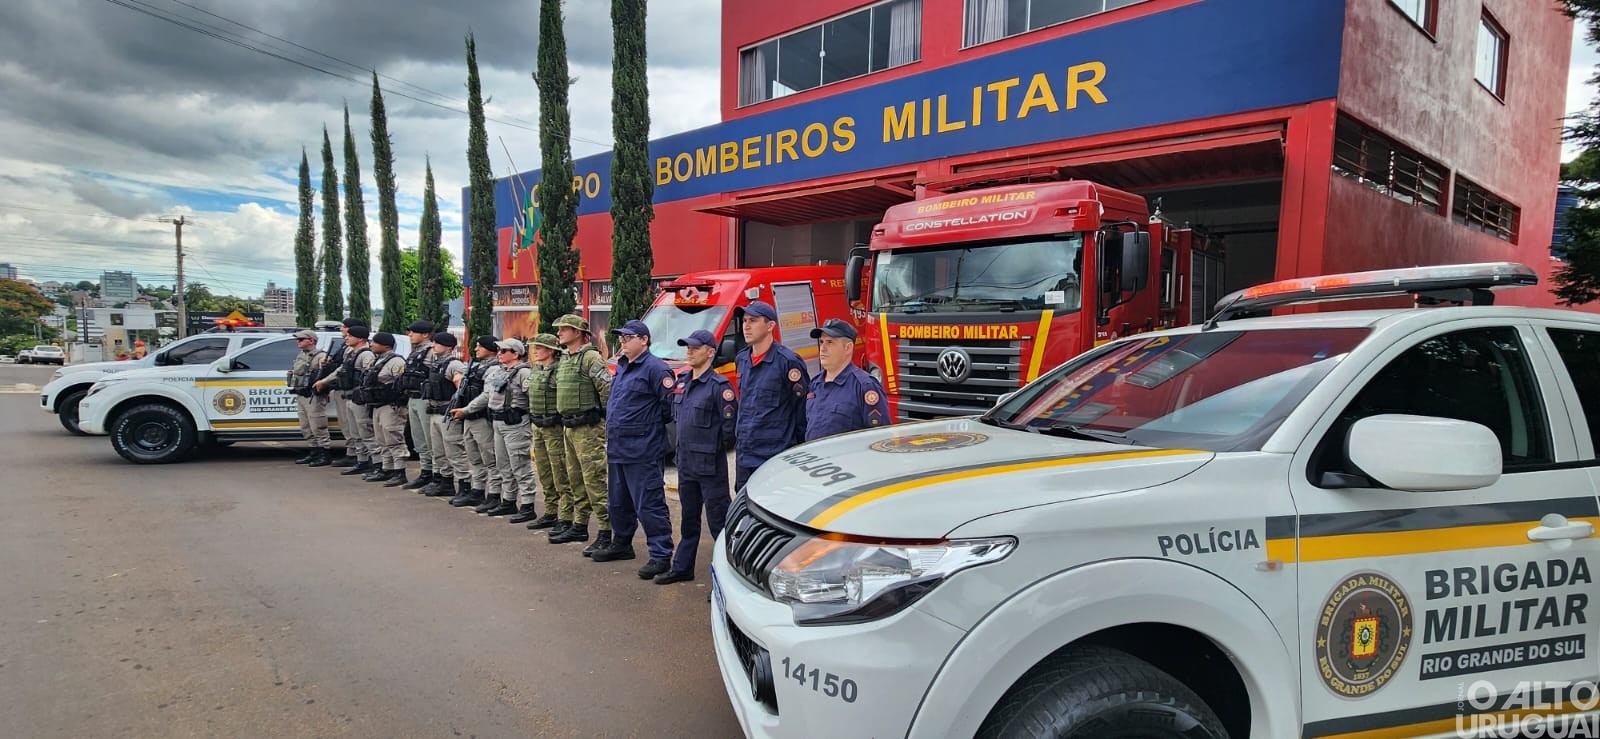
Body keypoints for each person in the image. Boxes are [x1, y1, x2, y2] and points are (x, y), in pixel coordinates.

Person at [591, 320, 675, 578]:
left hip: (642, 449)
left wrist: (645, 432)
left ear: (644, 340)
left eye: (629, 337)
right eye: (622, 338)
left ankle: (660, 554)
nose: (623, 341)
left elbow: (668, 409)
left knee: (649, 503)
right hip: (618, 448)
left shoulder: (656, 369)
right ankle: (622, 543)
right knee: (618, 502)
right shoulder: (623, 368)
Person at [658, 329, 737, 585]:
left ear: (710, 352)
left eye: (694, 347)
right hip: (687, 464)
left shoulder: (719, 387)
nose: (689, 351)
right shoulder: (683, 382)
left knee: (719, 526)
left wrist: (711, 448)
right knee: (688, 521)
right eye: (687, 346)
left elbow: (729, 430)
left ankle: (727, 579)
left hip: (710, 466)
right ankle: (682, 567)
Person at [548, 314, 612, 553]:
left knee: (594, 480)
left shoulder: (591, 358)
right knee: (575, 480)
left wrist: (604, 420)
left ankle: (606, 530)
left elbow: (607, 390)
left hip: (588, 428)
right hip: (569, 427)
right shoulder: (565, 358)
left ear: (579, 332)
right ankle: (580, 524)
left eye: (565, 329)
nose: (560, 333)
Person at [732, 300, 808, 491]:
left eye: (753, 321)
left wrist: (797, 452)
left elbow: (802, 412)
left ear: (770, 326)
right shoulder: (742, 359)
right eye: (745, 321)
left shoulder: (787, 362)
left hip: (774, 455)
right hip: (745, 453)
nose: (746, 326)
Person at [452, 338, 526, 517]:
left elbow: (490, 396)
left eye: (503, 351)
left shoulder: (518, 372)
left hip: (498, 421)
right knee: (479, 458)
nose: (499, 353)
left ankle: (498, 496)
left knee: (499, 462)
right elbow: (487, 395)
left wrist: (467, 409)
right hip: (481, 417)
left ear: (515, 353)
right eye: (499, 350)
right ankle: (480, 491)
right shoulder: (493, 369)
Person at [805, 318, 889, 441]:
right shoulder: (815, 384)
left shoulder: (865, 386)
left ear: (848, 348)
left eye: (830, 342)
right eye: (821, 342)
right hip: (815, 458)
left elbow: (880, 438)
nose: (822, 348)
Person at [517, 333, 567, 529]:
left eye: (539, 348)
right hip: (538, 426)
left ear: (551, 350)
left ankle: (565, 516)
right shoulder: (536, 369)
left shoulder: (559, 371)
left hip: (554, 428)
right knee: (545, 473)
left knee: (560, 473)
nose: (535, 351)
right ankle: (550, 512)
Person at [318, 325, 378, 477]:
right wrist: (324, 381)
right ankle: (362, 461)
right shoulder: (351, 353)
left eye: (350, 336)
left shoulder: (367, 355)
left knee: (366, 432)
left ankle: (377, 464)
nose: (346, 337)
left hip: (359, 397)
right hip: (349, 397)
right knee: (355, 433)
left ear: (360, 338)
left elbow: (369, 377)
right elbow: (340, 371)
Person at [448, 337, 500, 509]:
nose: (476, 349)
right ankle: (477, 491)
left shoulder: (494, 369)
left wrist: (466, 410)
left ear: (490, 349)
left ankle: (494, 495)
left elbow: (486, 396)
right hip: (469, 418)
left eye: (480, 346)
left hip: (481, 418)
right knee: (474, 458)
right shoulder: (476, 367)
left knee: (490, 459)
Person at [360, 332, 411, 486]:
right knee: (382, 439)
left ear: (386, 345)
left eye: (375, 342)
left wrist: (398, 401)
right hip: (378, 405)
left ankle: (399, 472)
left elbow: (402, 384)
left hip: (392, 406)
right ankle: (386, 469)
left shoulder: (396, 362)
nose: (371, 345)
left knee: (393, 437)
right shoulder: (379, 360)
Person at [421, 333, 467, 497]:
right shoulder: (436, 363)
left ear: (448, 347)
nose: (433, 346)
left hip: (447, 413)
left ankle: (464, 486)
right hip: (435, 411)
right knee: (438, 451)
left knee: (455, 452)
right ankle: (445, 482)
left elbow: (461, 387)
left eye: (437, 343)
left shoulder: (454, 364)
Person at [316, 318, 361, 466]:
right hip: (340, 388)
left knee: (351, 424)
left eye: (344, 327)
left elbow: (342, 369)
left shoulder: (355, 350)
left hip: (348, 390)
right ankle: (353, 453)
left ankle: (355, 454)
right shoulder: (344, 346)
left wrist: (325, 381)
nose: (342, 330)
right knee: (345, 423)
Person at [399, 321, 437, 491]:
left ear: (425, 334)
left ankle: (436, 475)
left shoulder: (432, 351)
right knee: (419, 439)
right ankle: (425, 472)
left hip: (425, 399)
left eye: (414, 332)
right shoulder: (416, 352)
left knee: (430, 440)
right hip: (413, 397)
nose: (410, 335)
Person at [288, 330, 332, 466]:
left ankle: (324, 453)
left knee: (317, 426)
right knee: (305, 427)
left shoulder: (321, 357)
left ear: (311, 341)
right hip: (301, 394)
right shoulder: (302, 355)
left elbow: (326, 376)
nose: (298, 342)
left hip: (314, 396)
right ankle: (314, 452)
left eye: (301, 339)